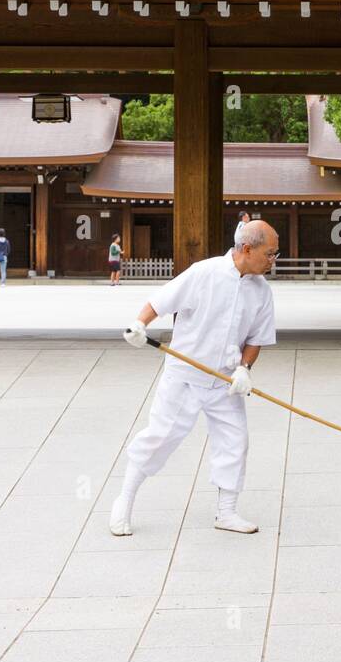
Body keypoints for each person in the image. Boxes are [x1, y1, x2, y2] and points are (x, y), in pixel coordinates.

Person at [115, 220, 279, 536]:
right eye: (270, 254)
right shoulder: (205, 273)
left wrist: (245, 369)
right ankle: (125, 500)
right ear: (247, 249)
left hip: (225, 380)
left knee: (235, 441)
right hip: (185, 375)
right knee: (160, 436)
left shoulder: (262, 291)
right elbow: (159, 301)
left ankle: (226, 512)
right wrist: (139, 325)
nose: (273, 260)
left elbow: (257, 337)